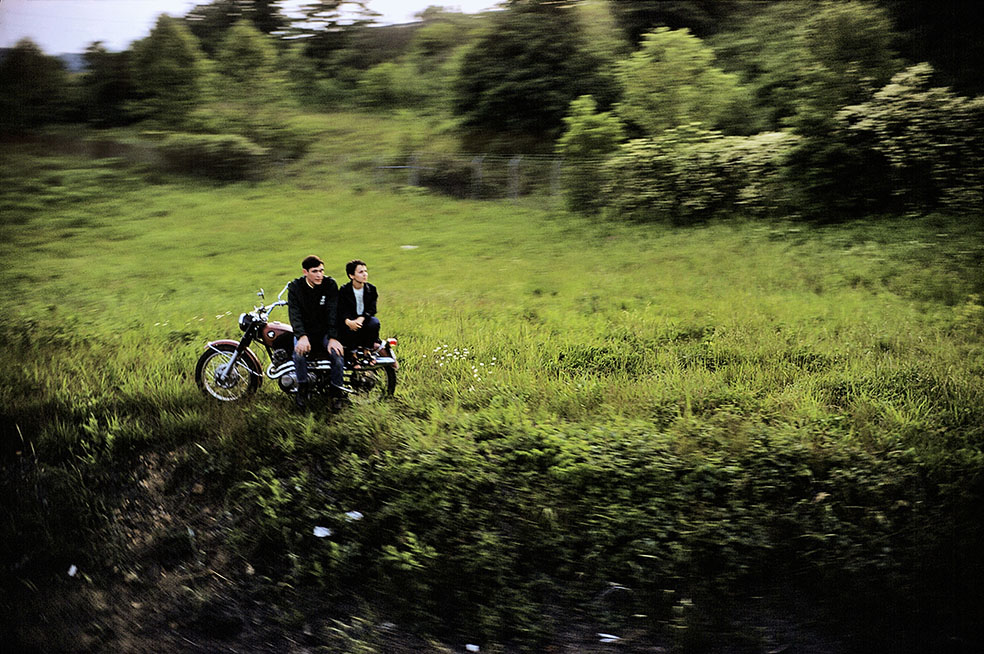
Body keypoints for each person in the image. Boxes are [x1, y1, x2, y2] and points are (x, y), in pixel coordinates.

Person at [287, 255, 349, 409]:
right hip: (306, 332)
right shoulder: (295, 287)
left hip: (325, 332)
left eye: (321, 271)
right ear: (305, 272)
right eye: (315, 271)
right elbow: (294, 314)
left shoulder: (330, 284)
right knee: (298, 354)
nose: (319, 275)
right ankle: (302, 389)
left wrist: (334, 337)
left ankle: (337, 393)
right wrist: (301, 336)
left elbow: (333, 312)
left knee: (337, 355)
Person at [337, 259, 381, 355]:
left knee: (375, 322)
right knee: (347, 328)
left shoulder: (371, 289)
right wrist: (348, 321)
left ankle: (367, 350)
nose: (365, 274)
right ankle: (353, 354)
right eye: (361, 272)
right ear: (351, 275)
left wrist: (361, 318)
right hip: (349, 322)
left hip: (364, 320)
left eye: (366, 271)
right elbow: (341, 309)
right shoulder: (344, 290)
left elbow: (372, 309)